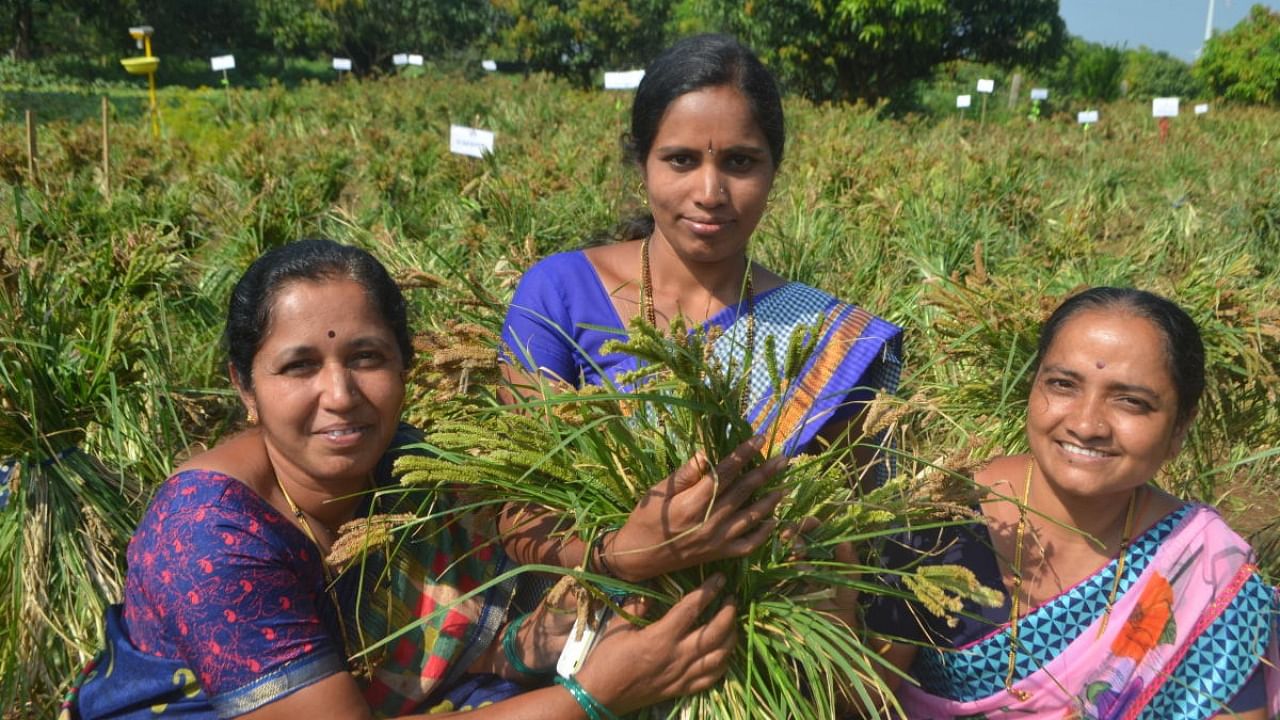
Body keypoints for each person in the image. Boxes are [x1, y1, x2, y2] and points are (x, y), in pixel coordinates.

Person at [64, 238, 742, 720]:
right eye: (298, 366)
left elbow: (515, 543)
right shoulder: (209, 537)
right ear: (245, 387)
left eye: (366, 357)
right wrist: (592, 695)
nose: (339, 394)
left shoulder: (408, 464)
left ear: (407, 366)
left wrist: (614, 561)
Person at [498, 33, 902, 579]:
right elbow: (521, 518)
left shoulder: (824, 335)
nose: (710, 191)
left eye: (739, 162)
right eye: (681, 160)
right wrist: (624, 554)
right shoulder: (559, 293)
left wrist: (807, 548)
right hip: (595, 628)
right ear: (642, 164)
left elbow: (859, 521)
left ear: (772, 171)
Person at [864, 287, 1280, 719]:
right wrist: (830, 610)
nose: (1086, 424)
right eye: (1063, 385)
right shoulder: (939, 520)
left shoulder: (1205, 569)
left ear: (1179, 427)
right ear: (1033, 387)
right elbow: (862, 701)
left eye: (1132, 402)